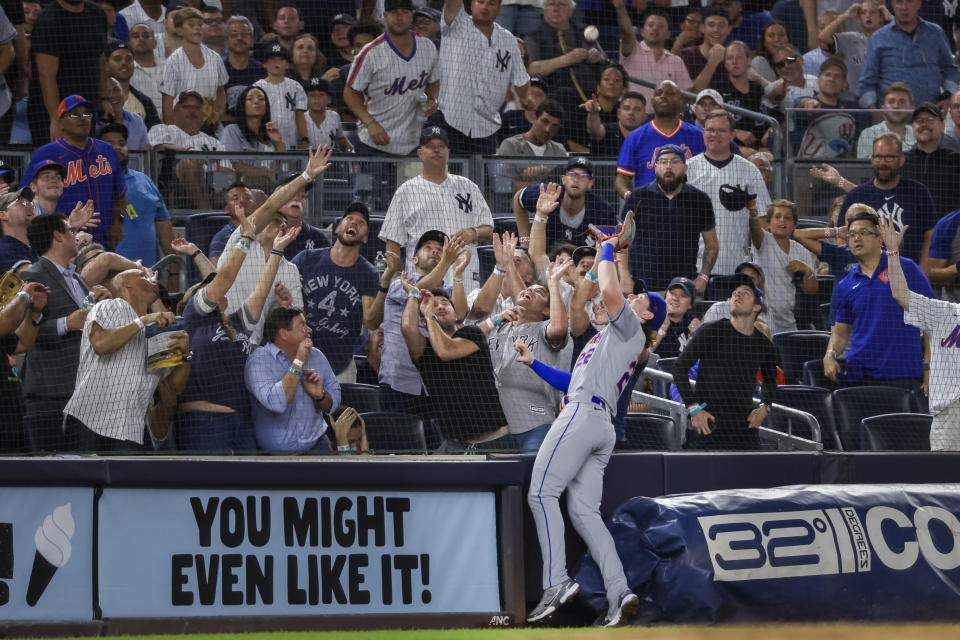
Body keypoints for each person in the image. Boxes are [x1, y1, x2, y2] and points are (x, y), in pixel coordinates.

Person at [518, 232, 665, 627]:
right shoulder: (610, 337)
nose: (634, 299)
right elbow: (573, 380)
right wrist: (534, 363)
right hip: (597, 422)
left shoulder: (633, 331)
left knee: (541, 493)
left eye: (642, 301)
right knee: (585, 514)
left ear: (648, 316)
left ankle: (556, 582)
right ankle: (619, 593)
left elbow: (612, 291)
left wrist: (609, 248)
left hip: (584, 417)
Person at [175, 205, 298, 452]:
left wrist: (277, 250)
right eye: (210, 288)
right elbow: (223, 279)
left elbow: (261, 291)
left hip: (241, 423)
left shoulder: (237, 323)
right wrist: (246, 239)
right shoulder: (195, 316)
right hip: (205, 424)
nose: (216, 290)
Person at [64, 264, 189, 452]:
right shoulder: (111, 306)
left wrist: (185, 355)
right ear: (126, 286)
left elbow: (173, 389)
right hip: (89, 423)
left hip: (131, 432)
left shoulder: (157, 330)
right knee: (84, 481)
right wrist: (142, 321)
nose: (150, 276)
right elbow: (101, 344)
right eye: (141, 275)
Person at [824, 207, 934, 390]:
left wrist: (930, 370)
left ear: (880, 238)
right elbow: (840, 333)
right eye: (851, 235)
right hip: (860, 377)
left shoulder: (907, 269)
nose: (856, 238)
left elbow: (932, 322)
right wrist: (830, 354)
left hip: (904, 376)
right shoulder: (846, 284)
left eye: (864, 232)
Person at [674, 271, 780, 450]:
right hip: (708, 425)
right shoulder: (712, 331)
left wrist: (764, 407)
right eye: (734, 293)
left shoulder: (764, 345)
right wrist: (694, 408)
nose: (737, 294)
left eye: (745, 292)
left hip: (743, 430)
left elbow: (771, 382)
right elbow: (679, 367)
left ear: (756, 307)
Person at [880, 215, 960, 450]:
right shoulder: (944, 313)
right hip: (950, 413)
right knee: (946, 482)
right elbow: (900, 293)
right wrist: (892, 253)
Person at [401, 280, 508, 453]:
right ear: (422, 319)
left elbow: (445, 350)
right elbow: (407, 327)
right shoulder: (424, 350)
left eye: (445, 303)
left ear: (455, 314)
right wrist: (413, 295)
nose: (441, 307)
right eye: (433, 305)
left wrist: (430, 316)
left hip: (495, 440)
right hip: (455, 445)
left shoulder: (472, 334)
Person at [381, 126, 493, 290]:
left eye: (441, 146)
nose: (436, 150)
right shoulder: (406, 191)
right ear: (420, 153)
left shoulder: (469, 187)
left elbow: (488, 229)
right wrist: (394, 285)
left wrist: (473, 232)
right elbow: (393, 242)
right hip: (421, 281)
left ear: (448, 152)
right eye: (430, 146)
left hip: (464, 276)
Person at [20, 95, 127, 250]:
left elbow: (120, 193)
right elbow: (25, 196)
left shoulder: (107, 150)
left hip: (104, 237)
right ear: (61, 122)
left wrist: (118, 222)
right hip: (61, 239)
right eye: (75, 114)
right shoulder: (46, 153)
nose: (82, 118)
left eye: (86, 114)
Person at [375, 229, 464, 415]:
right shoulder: (400, 283)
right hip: (398, 383)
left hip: (433, 384)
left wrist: (457, 273)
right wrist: (446, 261)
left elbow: (460, 314)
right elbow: (418, 290)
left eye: (440, 249)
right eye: (428, 247)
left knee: (435, 444)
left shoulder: (446, 292)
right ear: (414, 259)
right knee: (401, 442)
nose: (435, 251)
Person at [291, 202, 380, 383]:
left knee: (342, 411)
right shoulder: (306, 259)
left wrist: (385, 285)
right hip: (298, 359)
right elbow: (281, 297)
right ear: (338, 228)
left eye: (360, 222)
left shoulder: (369, 273)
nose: (354, 223)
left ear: (365, 238)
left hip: (341, 367)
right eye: (349, 219)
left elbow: (370, 321)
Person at [344, 0, 440, 156]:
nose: (399, 17)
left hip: (412, 142)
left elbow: (434, 80)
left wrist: (431, 99)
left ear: (412, 16)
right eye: (394, 12)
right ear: (385, 15)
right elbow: (350, 92)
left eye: (404, 12)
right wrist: (370, 122)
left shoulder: (427, 47)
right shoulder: (370, 53)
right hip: (374, 142)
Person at [436, 0, 532, 155]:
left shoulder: (508, 40)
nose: (485, 7)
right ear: (471, 4)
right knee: (451, 176)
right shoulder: (456, 25)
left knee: (480, 179)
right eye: (480, 1)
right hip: (449, 120)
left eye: (491, 3)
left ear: (500, 8)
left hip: (486, 127)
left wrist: (525, 97)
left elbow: (521, 78)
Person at [621, 144, 718, 293]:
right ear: (655, 167)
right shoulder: (637, 198)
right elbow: (620, 243)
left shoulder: (700, 200)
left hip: (683, 289)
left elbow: (712, 246)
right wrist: (625, 276)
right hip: (643, 287)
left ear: (685, 168)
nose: (668, 167)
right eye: (663, 161)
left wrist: (703, 277)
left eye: (675, 161)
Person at [687, 109, 771, 276]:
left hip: (736, 266)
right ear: (703, 132)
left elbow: (762, 220)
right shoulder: (688, 168)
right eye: (710, 130)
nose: (714, 134)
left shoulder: (749, 170)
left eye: (721, 130)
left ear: (732, 135)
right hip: (695, 265)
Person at [244, 306, 341, 453]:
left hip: (318, 447)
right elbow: (277, 404)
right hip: (275, 458)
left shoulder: (316, 356)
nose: (309, 330)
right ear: (283, 334)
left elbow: (334, 401)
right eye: (302, 325)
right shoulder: (258, 362)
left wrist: (320, 396)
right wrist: (299, 360)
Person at [838, 133, 937, 267]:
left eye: (889, 157)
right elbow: (842, 236)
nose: (883, 163)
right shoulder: (856, 196)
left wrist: (924, 273)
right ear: (872, 159)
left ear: (901, 160)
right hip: (868, 277)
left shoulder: (918, 191)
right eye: (878, 157)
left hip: (909, 273)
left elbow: (930, 234)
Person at [28, 0, 109, 146]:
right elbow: (46, 75)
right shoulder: (49, 19)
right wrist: (56, 118)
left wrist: (104, 98)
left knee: (83, 159)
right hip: (51, 111)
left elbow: (101, 59)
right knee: (53, 163)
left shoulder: (96, 13)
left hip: (86, 107)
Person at [858, 0, 960, 109]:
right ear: (892, 5)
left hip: (928, 116)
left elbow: (951, 70)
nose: (904, 7)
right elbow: (867, 81)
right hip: (892, 117)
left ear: (919, 4)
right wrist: (874, 111)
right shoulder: (878, 38)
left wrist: (948, 96)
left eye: (910, 1)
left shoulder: (935, 33)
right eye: (899, 2)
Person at [615, 80, 706, 197]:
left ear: (681, 102)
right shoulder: (635, 138)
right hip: (649, 208)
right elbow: (622, 178)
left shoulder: (698, 136)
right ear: (652, 101)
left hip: (688, 208)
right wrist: (629, 196)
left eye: (670, 93)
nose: (663, 96)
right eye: (659, 93)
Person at [99, 123, 171, 266]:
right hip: (111, 275)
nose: (117, 147)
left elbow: (163, 223)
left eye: (122, 143)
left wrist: (174, 269)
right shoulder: (93, 183)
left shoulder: (145, 180)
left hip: (150, 272)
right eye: (110, 143)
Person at [523, 0, 605, 120]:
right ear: (543, 9)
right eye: (551, 4)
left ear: (572, 10)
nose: (556, 8)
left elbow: (606, 62)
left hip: (590, 96)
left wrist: (599, 58)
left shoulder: (586, 32)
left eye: (562, 4)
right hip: (553, 99)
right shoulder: (533, 37)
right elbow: (530, 69)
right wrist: (566, 59)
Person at [514, 157, 617, 250]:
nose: (576, 179)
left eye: (583, 176)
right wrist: (525, 242)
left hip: (582, 265)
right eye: (572, 174)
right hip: (543, 260)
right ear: (563, 179)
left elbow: (614, 244)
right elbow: (518, 198)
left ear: (590, 183)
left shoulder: (602, 210)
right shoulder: (548, 193)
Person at [748, 198, 817, 333]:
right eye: (777, 217)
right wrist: (753, 214)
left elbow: (811, 290)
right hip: (762, 317)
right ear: (768, 223)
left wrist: (806, 271)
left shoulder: (801, 250)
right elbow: (755, 230)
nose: (782, 221)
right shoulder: (763, 241)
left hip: (787, 320)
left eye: (787, 218)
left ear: (794, 224)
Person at [0, 279, 48, 453]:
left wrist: (34, 313)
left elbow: (23, 342)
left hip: (15, 425)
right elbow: (6, 323)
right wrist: (24, 294)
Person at [159, 7, 227, 128]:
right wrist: (173, 132)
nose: (197, 28)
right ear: (179, 30)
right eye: (191, 25)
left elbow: (220, 92)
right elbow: (167, 104)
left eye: (200, 25)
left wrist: (217, 114)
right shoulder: (172, 62)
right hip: (182, 128)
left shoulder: (215, 58)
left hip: (211, 127)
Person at [614, 3, 692, 105]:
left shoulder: (676, 61)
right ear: (642, 32)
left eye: (661, 26)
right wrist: (621, 8)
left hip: (663, 118)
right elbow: (627, 33)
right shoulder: (632, 49)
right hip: (632, 117)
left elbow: (687, 95)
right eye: (650, 25)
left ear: (668, 34)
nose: (655, 28)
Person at [818, 0, 890, 100]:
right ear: (858, 19)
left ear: (881, 17)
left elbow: (911, 38)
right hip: (856, 99)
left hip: (885, 99)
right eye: (863, 13)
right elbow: (823, 37)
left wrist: (891, 18)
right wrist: (845, 15)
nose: (868, 16)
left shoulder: (892, 39)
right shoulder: (850, 39)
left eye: (872, 12)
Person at [901, 103, 960, 220]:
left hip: (949, 232)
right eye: (919, 120)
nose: (924, 124)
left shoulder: (956, 160)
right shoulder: (902, 161)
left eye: (930, 120)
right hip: (911, 231)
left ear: (942, 126)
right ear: (913, 127)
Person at [219, 85, 286, 186]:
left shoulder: (270, 132)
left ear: (266, 106)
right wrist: (265, 172)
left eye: (261, 99)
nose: (256, 101)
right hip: (241, 185)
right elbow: (233, 165)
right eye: (250, 99)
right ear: (242, 105)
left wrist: (279, 142)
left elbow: (283, 167)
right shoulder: (232, 130)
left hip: (272, 185)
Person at [711, 40, 768, 155]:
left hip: (759, 148)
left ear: (748, 61)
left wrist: (769, 134)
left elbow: (775, 116)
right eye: (730, 58)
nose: (734, 62)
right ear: (725, 63)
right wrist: (736, 132)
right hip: (727, 147)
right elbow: (707, 123)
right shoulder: (717, 88)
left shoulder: (758, 89)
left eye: (739, 57)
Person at [251, 43, 307, 150]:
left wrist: (304, 138)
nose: (277, 63)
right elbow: (254, 118)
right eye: (272, 59)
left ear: (287, 64)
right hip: (265, 144)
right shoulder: (257, 88)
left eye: (281, 59)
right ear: (265, 64)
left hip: (291, 144)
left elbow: (300, 116)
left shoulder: (296, 87)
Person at [106, 39, 161, 129]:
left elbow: (156, 135)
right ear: (106, 64)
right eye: (117, 59)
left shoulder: (145, 102)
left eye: (128, 59)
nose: (124, 63)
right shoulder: (97, 100)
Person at [680, 5, 732, 93]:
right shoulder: (686, 55)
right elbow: (691, 95)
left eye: (721, 25)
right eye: (711, 25)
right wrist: (713, 62)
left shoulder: (733, 58)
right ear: (702, 28)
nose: (716, 30)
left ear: (728, 30)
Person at [856, 82, 915, 159]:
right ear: (883, 108)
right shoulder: (868, 134)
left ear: (912, 109)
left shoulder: (918, 134)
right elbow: (865, 169)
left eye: (902, 102)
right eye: (891, 102)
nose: (896, 106)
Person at [222, 15, 266, 116]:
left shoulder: (262, 71)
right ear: (226, 42)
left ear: (252, 40)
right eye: (234, 35)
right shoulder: (219, 70)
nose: (239, 38)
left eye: (244, 34)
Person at [585, 90, 647, 157]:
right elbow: (594, 132)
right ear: (619, 113)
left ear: (644, 117)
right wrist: (593, 114)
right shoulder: (607, 130)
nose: (631, 113)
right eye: (627, 108)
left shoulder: (649, 138)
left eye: (637, 109)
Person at [99, 77, 150, 151]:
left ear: (124, 94)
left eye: (116, 90)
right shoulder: (92, 121)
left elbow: (145, 152)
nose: (112, 96)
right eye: (107, 92)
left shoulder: (137, 120)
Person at [654, 276, 698, 359]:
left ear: (690, 305)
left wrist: (696, 337)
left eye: (683, 295)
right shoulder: (651, 318)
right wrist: (661, 330)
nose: (675, 298)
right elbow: (640, 355)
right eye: (672, 293)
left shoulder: (693, 323)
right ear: (665, 296)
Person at [303, 77, 352, 150]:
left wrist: (353, 150)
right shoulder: (300, 118)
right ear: (305, 99)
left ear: (329, 99)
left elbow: (341, 138)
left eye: (321, 95)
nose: (316, 99)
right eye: (312, 95)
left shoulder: (334, 116)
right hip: (307, 159)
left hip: (330, 159)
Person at [0, 187, 39, 273]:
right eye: (22, 202)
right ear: (3, 215)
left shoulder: (33, 249)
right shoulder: (3, 248)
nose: (31, 206)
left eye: (30, 203)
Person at [129, 22, 164, 115]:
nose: (141, 39)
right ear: (129, 43)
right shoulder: (126, 72)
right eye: (135, 36)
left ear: (155, 43)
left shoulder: (170, 68)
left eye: (146, 35)